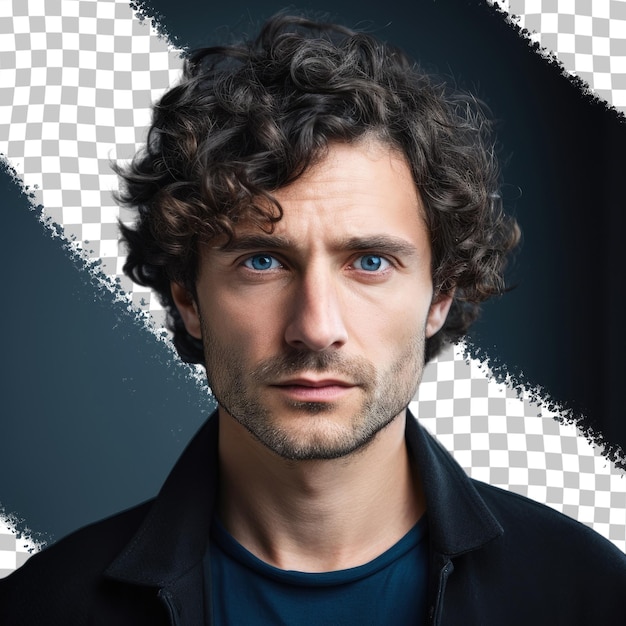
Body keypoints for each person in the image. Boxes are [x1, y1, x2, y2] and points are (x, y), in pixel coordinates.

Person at [1, 13, 624, 625]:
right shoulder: (42, 608)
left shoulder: (588, 598)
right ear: (188, 297)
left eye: (370, 261)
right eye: (263, 261)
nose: (316, 326)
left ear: (439, 296)